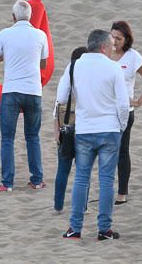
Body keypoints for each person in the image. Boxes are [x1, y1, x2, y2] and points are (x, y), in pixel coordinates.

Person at [59, 30, 129, 240]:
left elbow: (62, 97)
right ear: (102, 47)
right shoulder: (114, 68)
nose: (113, 50)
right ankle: (104, 229)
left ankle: (75, 228)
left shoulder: (74, 66)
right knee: (107, 180)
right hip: (109, 129)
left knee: (81, 179)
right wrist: (121, 127)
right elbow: (123, 104)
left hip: (85, 129)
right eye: (111, 46)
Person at [0, 0, 49, 192]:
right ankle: (36, 180)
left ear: (13, 16)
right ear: (29, 16)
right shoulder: (40, 35)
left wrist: (7, 55)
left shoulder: (5, 34)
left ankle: (7, 183)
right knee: (32, 136)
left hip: (12, 91)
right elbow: (43, 65)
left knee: (7, 138)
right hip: (33, 91)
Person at [109, 21, 142, 205]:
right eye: (112, 37)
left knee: (122, 151)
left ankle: (122, 192)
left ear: (126, 39)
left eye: (118, 38)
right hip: (104, 110)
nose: (114, 42)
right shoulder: (104, 53)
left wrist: (138, 102)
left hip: (123, 112)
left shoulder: (133, 57)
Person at [53, 46, 88, 214]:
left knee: (63, 169)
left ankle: (58, 206)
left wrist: (56, 130)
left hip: (66, 127)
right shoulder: (90, 76)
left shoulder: (67, 75)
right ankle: (83, 206)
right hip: (85, 128)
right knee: (83, 171)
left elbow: (58, 103)